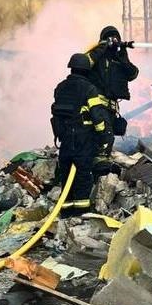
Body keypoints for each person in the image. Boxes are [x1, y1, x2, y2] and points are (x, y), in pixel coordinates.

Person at [50, 53, 115, 210]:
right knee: (83, 172)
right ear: (86, 70)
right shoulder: (89, 89)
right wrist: (103, 135)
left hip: (64, 137)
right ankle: (81, 209)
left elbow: (56, 112)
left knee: (66, 172)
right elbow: (97, 115)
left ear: (71, 68)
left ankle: (66, 209)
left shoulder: (60, 87)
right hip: (83, 137)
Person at [83, 25, 139, 143]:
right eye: (110, 37)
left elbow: (132, 74)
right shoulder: (97, 57)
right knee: (104, 139)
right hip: (97, 107)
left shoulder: (118, 59)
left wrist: (125, 60)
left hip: (111, 109)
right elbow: (83, 63)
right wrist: (102, 47)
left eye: (116, 38)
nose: (114, 40)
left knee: (108, 139)